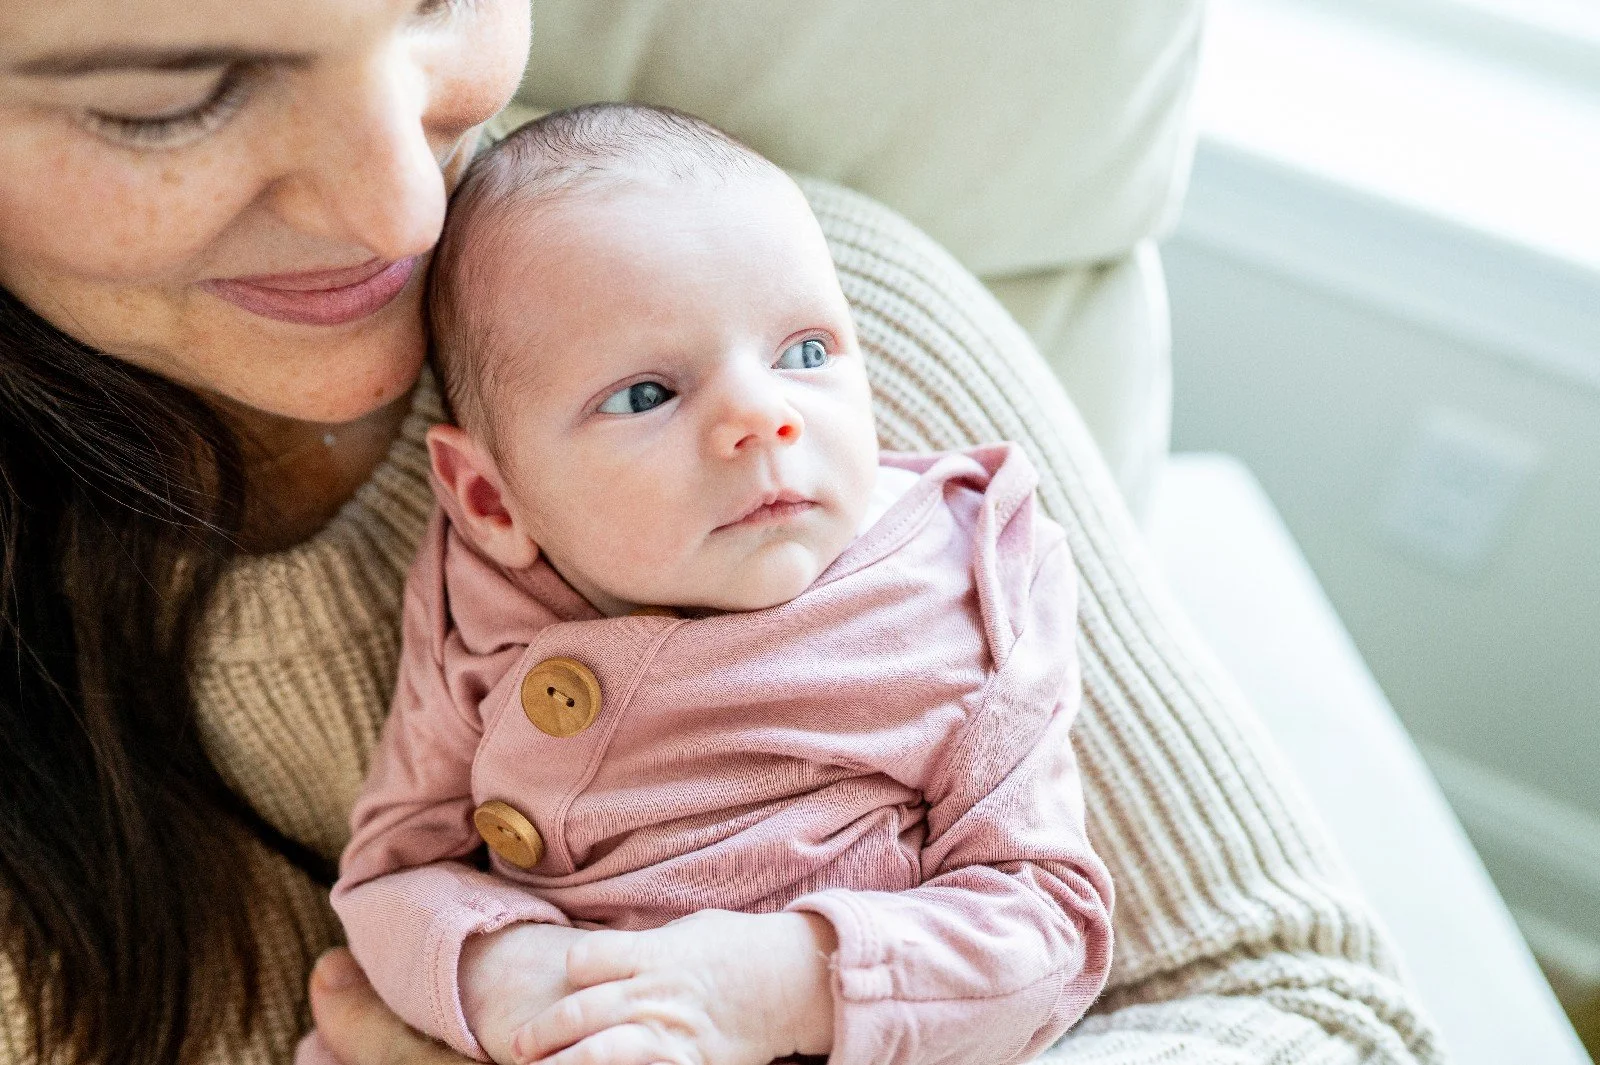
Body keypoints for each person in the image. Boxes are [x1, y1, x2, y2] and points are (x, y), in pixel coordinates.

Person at [0, 2, 1440, 1064]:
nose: (398, 203)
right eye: (164, 100)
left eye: (435, 1)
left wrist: (782, 985)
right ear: (481, 497)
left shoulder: (829, 327)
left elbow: (1325, 1019)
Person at [323, 104, 1113, 1065]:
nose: (765, 416)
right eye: (648, 393)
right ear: (490, 498)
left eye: (806, 353)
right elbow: (394, 873)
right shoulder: (479, 592)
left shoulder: (969, 572)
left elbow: (1051, 921)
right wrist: (505, 977)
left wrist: (783, 985)